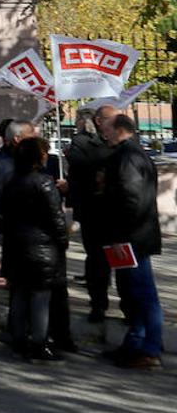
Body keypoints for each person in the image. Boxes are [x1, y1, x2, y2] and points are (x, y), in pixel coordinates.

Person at [102, 115, 164, 369]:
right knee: (134, 293)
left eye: (106, 128)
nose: (103, 133)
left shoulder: (128, 157)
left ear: (119, 129)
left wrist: (120, 237)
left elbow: (131, 199)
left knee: (143, 294)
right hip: (137, 235)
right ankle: (135, 344)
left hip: (132, 238)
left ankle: (150, 349)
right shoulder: (133, 153)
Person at [0, 137, 69, 362]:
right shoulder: (44, 182)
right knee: (40, 296)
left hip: (16, 244)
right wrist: (62, 240)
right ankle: (39, 343)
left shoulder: (11, 180)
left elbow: (4, 212)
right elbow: (56, 218)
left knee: (20, 292)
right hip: (42, 247)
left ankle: (19, 340)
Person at [66, 105, 118, 322]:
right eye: (111, 119)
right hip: (92, 210)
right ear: (99, 121)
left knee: (120, 258)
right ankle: (98, 304)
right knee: (97, 259)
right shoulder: (82, 142)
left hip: (116, 210)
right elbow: (79, 171)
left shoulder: (121, 140)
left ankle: (128, 304)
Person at [0, 120, 37, 232]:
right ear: (17, 139)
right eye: (31, 134)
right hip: (16, 232)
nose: (35, 137)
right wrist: (7, 228)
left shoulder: (31, 161)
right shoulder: (2, 165)